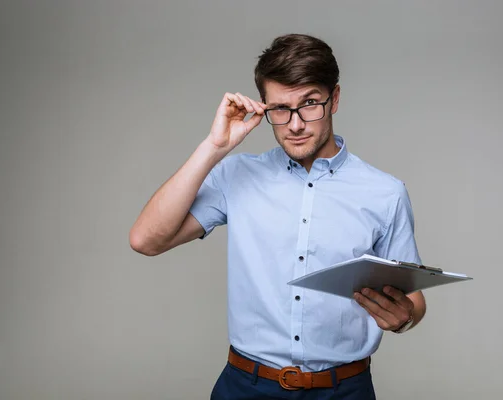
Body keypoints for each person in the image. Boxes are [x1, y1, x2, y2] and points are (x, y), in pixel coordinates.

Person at [129, 33, 426, 399]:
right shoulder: (236, 175)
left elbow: (414, 300)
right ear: (265, 108)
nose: (296, 124)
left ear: (334, 99)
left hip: (344, 391)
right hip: (246, 387)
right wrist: (214, 147)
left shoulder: (385, 192)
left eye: (310, 103)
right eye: (280, 110)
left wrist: (405, 319)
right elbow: (146, 240)